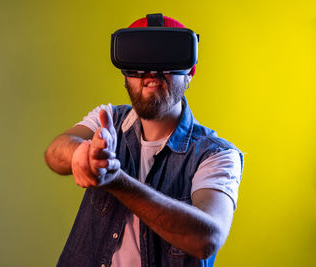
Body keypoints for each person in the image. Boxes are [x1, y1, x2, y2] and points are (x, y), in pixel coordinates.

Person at [45, 14, 243, 267]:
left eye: (167, 60)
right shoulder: (107, 120)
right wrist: (82, 154)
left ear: (189, 74)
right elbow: (55, 153)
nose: (151, 73)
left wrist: (117, 180)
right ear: (125, 75)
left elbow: (207, 238)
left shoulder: (216, 155)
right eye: (139, 61)